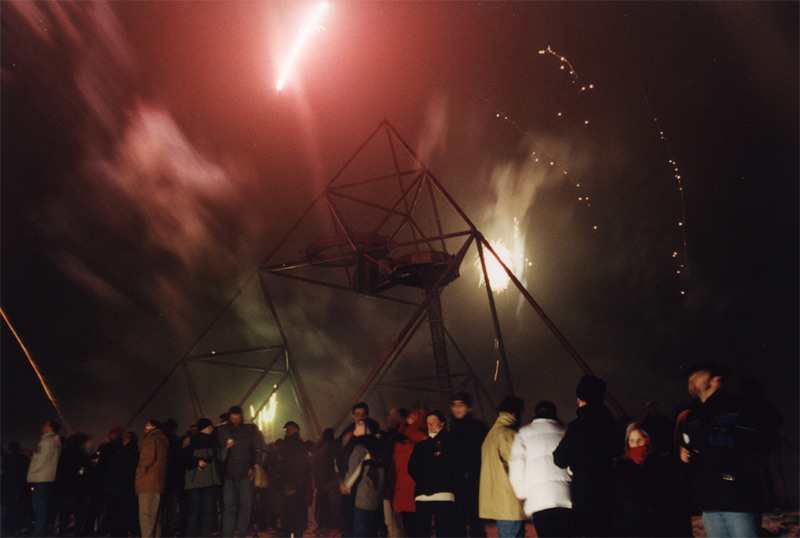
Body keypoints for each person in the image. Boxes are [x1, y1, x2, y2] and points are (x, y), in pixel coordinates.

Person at [678, 362, 761, 537]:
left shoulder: (737, 406)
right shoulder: (691, 417)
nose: (691, 381)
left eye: (698, 375)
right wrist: (685, 455)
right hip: (709, 504)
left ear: (715, 380)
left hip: (736, 501)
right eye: (689, 379)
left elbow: (754, 447)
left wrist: (736, 477)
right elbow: (692, 451)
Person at [553, 375, 617, 537]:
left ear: (581, 398)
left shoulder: (578, 426)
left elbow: (559, 458)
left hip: (584, 492)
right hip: (609, 489)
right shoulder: (610, 422)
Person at [509, 400, 572, 537]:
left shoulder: (523, 433)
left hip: (538, 500)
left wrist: (522, 493)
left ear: (535, 413)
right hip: (565, 497)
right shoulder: (565, 431)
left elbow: (516, 468)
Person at [611, 422, 683, 536]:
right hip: (632, 527)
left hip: (659, 526)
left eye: (640, 440)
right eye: (632, 441)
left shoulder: (662, 465)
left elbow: (673, 498)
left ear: (648, 440)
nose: (636, 445)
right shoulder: (621, 469)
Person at [479, 395, 526, 538]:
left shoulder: (491, 434)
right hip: (510, 501)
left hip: (499, 501)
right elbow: (519, 466)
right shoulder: (508, 434)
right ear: (515, 413)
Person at [216, 405, 267, 537]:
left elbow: (259, 448)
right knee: (230, 507)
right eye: (233, 419)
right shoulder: (221, 430)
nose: (235, 421)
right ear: (229, 418)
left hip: (246, 473)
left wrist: (257, 465)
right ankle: (228, 534)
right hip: (228, 474)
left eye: (238, 418)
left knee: (246, 506)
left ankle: (241, 534)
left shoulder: (250, 428)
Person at [407, 410, 456, 538]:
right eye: (428, 423)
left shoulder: (450, 442)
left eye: (433, 422)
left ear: (442, 423)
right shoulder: (420, 445)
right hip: (423, 495)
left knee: (443, 532)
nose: (430, 426)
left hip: (443, 494)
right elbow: (411, 467)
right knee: (422, 532)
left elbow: (450, 466)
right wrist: (425, 481)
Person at [449, 392, 487, 537]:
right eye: (454, 405)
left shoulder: (479, 429)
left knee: (475, 522)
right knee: (457, 524)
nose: (457, 408)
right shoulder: (448, 430)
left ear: (469, 408)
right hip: (454, 484)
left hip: (474, 483)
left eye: (461, 405)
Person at [343, 418, 385, 537]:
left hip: (362, 497)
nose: (356, 425)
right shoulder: (377, 447)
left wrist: (346, 485)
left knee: (361, 533)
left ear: (368, 429)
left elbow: (353, 472)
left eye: (361, 424)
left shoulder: (360, 448)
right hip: (376, 498)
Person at [391, 409, 428, 537]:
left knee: (415, 527)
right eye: (411, 414)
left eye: (417, 415)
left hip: (413, 489)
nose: (413, 416)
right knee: (408, 525)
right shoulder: (399, 435)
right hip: (403, 489)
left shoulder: (419, 436)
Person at [336, 402, 371, 537]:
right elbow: (340, 461)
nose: (360, 418)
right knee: (349, 522)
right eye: (357, 414)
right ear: (352, 416)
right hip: (348, 488)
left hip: (362, 489)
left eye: (363, 415)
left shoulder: (370, 437)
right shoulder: (348, 435)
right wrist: (341, 482)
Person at [183, 418, 222, 538]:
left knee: (199, 511)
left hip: (199, 482)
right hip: (203, 481)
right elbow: (184, 460)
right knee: (203, 511)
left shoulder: (213, 440)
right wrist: (197, 462)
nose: (211, 428)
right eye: (208, 426)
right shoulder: (192, 441)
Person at [277, 421, 312, 538]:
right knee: (297, 516)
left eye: (290, 428)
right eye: (286, 429)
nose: (287, 430)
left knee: (290, 515)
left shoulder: (293, 445)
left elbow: (292, 466)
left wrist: (288, 485)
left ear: (296, 429)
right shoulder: (298, 444)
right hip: (296, 486)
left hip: (292, 486)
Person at [135, 419, 170, 538]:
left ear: (153, 427)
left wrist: (138, 477)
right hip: (159, 484)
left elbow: (145, 461)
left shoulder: (150, 439)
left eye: (147, 426)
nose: (144, 429)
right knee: (156, 520)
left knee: (146, 520)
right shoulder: (164, 439)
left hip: (147, 484)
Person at [27, 419, 62, 537]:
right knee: (41, 505)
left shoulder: (46, 441)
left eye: (46, 424)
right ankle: (40, 529)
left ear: (50, 428)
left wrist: (31, 472)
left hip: (40, 477)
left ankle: (39, 531)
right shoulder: (55, 440)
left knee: (39, 506)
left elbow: (41, 460)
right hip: (46, 477)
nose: (43, 425)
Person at [56, 432, 91, 537]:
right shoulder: (82, 454)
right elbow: (84, 471)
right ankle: (77, 533)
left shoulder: (65, 452)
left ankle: (61, 533)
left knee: (64, 513)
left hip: (65, 487)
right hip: (77, 489)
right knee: (79, 514)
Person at [1, 441, 31, 536]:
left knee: (10, 508)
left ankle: (8, 529)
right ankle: (17, 527)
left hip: (10, 487)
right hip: (22, 486)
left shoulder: (7, 459)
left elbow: (5, 472)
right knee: (20, 508)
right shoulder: (24, 459)